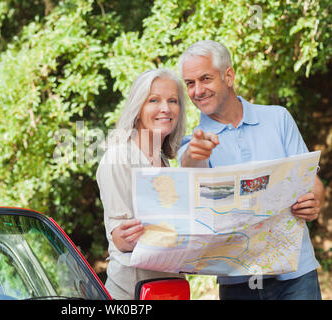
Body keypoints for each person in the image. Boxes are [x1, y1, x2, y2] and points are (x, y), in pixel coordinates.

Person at [177, 40, 324, 300]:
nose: (197, 90)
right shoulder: (193, 142)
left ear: (229, 76)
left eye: (205, 79)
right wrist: (193, 154)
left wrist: (314, 201)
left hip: (296, 275)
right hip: (237, 282)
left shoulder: (278, 118)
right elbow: (189, 168)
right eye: (190, 83)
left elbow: (311, 181)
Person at [96, 68, 186, 299]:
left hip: (171, 289)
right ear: (138, 109)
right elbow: (121, 239)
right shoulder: (118, 158)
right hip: (132, 292)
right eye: (154, 100)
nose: (165, 108)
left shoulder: (165, 162)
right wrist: (124, 237)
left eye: (173, 100)